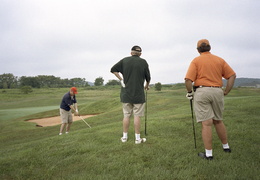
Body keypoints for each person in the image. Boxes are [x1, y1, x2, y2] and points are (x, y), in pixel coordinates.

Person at [185, 39, 236, 160]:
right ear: (210, 48)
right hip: (218, 91)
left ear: (198, 50)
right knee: (218, 120)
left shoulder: (196, 60)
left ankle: (208, 155)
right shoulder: (219, 60)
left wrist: (189, 93)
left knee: (206, 123)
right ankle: (226, 147)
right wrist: (226, 91)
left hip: (202, 92)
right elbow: (232, 75)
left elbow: (188, 80)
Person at [111, 45, 151, 144]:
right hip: (139, 95)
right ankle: (138, 139)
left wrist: (121, 80)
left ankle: (124, 137)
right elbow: (148, 78)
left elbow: (113, 69)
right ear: (140, 54)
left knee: (126, 115)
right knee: (137, 116)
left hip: (126, 94)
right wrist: (147, 85)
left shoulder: (125, 60)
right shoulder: (143, 62)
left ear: (131, 53)